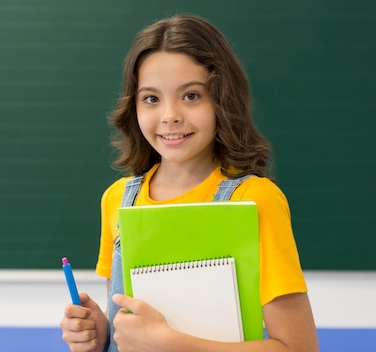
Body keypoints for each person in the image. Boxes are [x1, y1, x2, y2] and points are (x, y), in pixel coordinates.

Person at [60, 14, 319, 352]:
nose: (170, 115)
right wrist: (99, 336)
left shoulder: (255, 199)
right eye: (151, 98)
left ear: (222, 99)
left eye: (191, 96)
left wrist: (173, 343)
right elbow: (130, 331)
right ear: (134, 107)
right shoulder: (118, 200)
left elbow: (299, 348)